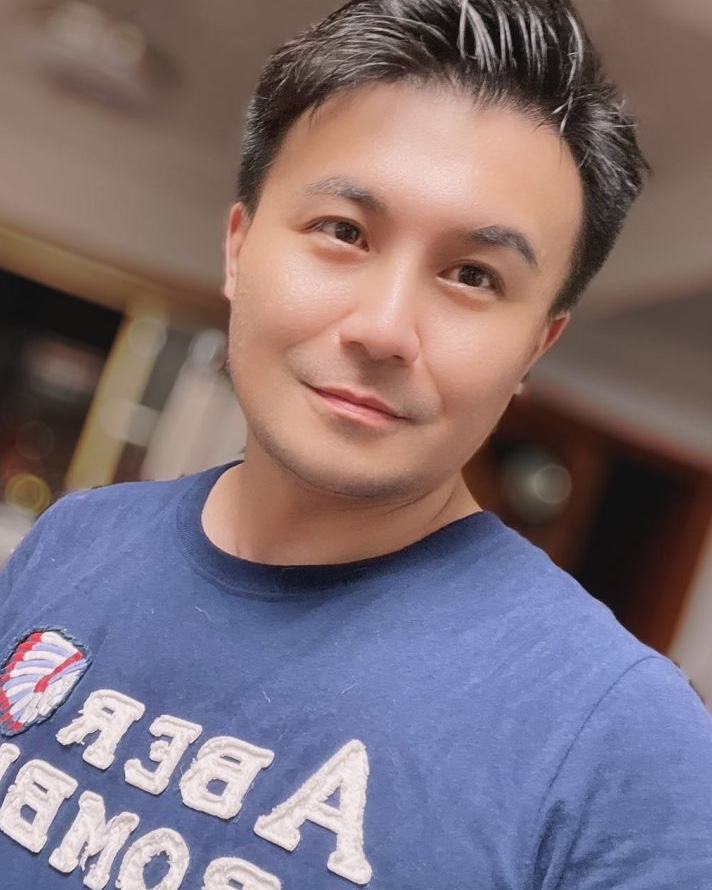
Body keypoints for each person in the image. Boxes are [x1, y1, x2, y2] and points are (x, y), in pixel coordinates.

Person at [0, 0, 710, 887]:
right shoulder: (76, 539)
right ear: (239, 249)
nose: (383, 329)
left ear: (536, 347)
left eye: (473, 275)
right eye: (343, 231)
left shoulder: (619, 744)